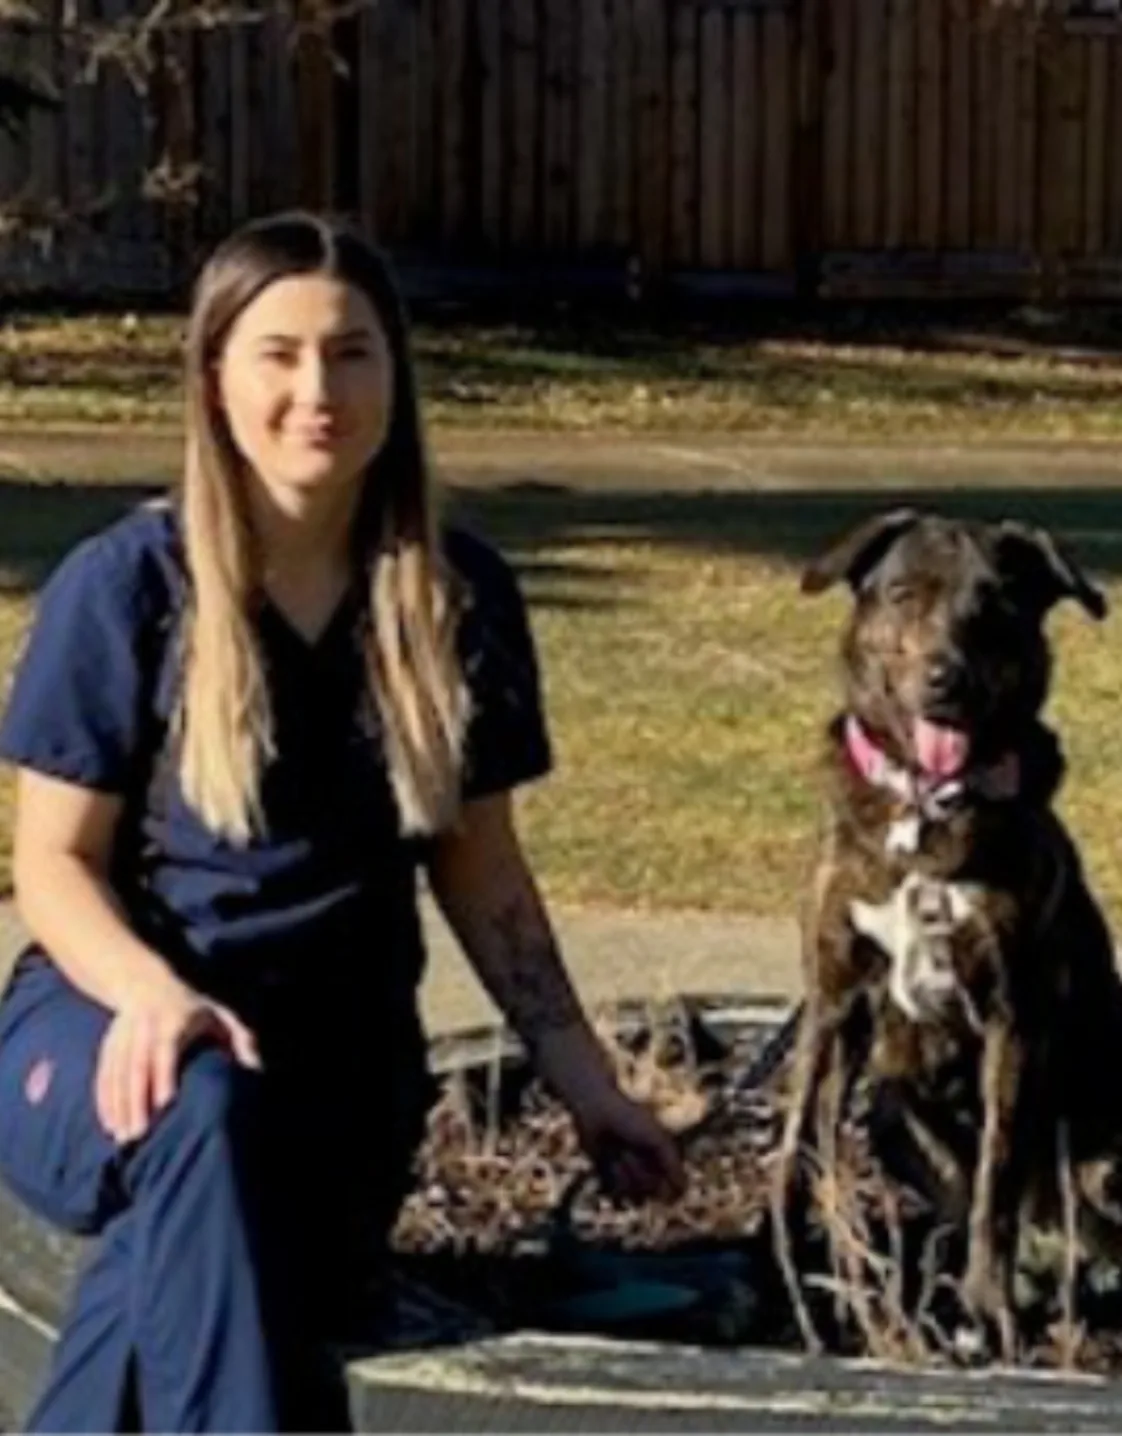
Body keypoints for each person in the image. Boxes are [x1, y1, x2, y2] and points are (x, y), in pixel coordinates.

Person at [0, 210, 685, 1433]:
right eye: (280, 352)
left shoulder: (455, 595)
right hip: (107, 1038)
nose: (319, 387)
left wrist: (590, 1087)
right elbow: (50, 864)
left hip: (334, 1081)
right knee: (198, 1111)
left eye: (353, 351)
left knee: (189, 1259)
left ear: (395, 375)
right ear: (214, 376)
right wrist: (156, 993)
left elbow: (487, 877)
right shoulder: (127, 587)